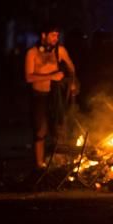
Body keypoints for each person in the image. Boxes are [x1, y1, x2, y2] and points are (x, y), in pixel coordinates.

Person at [25, 23, 77, 174]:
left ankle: (60, 164)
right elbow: (28, 77)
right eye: (53, 35)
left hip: (56, 97)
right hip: (39, 96)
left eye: (57, 35)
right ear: (43, 35)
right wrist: (51, 76)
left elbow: (71, 67)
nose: (56, 38)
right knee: (40, 131)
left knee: (59, 129)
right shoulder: (32, 53)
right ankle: (39, 166)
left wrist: (72, 82)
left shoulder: (60, 51)